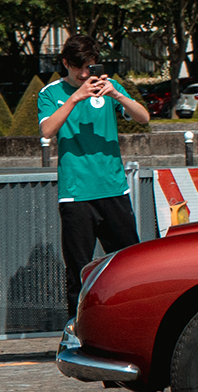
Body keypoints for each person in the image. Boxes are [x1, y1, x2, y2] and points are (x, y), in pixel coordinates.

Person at [36, 36, 152, 315]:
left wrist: (117, 95)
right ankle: (77, 331)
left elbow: (144, 118)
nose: (86, 74)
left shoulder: (109, 88)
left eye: (89, 66)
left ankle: (134, 321)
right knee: (78, 269)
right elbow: (47, 131)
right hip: (76, 194)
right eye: (78, 68)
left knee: (130, 265)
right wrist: (76, 97)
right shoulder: (51, 93)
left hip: (113, 188)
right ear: (65, 63)